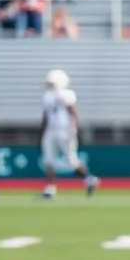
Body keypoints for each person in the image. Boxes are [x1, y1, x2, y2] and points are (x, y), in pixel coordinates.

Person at [39, 69, 98, 199]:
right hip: (50, 131)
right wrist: (42, 131)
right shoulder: (47, 96)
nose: (50, 86)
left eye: (52, 84)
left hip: (64, 131)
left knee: (71, 160)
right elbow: (46, 116)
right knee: (48, 160)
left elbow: (73, 113)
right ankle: (50, 189)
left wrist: (73, 128)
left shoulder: (66, 95)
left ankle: (89, 178)